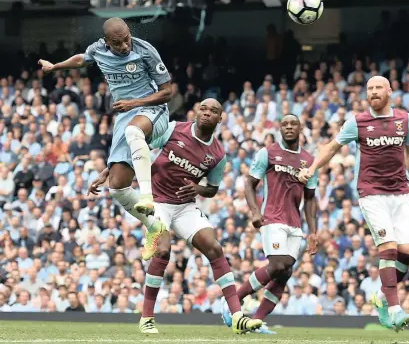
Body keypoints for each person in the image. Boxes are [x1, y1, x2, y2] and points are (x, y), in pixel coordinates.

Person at [88, 99, 262, 335]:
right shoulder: (173, 129)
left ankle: (237, 315)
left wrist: (198, 189)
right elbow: (138, 148)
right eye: (203, 108)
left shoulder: (218, 154)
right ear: (196, 111)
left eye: (213, 111)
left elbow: (211, 189)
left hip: (184, 207)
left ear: (220, 119)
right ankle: (147, 318)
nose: (207, 113)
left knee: (214, 247)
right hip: (158, 202)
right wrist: (109, 171)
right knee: (162, 250)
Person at [38, 17, 171, 253]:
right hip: (126, 116)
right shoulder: (98, 50)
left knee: (134, 130)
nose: (125, 46)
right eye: (118, 43)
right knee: (117, 187)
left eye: (127, 39)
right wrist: (55, 67)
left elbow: (167, 91)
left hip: (152, 109)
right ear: (108, 42)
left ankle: (147, 197)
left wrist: (134, 102)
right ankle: (154, 226)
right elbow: (82, 59)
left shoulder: (145, 51)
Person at [299, 76, 409, 332]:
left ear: (389, 91)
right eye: (369, 89)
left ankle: (381, 296)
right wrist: (312, 168)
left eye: (378, 88)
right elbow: (332, 147)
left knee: (408, 252)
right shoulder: (358, 122)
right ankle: (395, 309)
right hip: (371, 192)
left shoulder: (405, 120)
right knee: (387, 247)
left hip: (400, 192)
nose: (373, 93)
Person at [222, 114, 318, 334]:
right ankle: (232, 301)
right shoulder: (268, 153)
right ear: (279, 128)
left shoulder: (309, 160)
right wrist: (255, 211)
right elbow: (249, 183)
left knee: (285, 273)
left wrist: (313, 231)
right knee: (276, 265)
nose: (289, 127)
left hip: (295, 223)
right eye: (285, 124)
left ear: (300, 127)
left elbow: (311, 198)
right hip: (272, 217)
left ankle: (256, 321)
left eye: (293, 123)